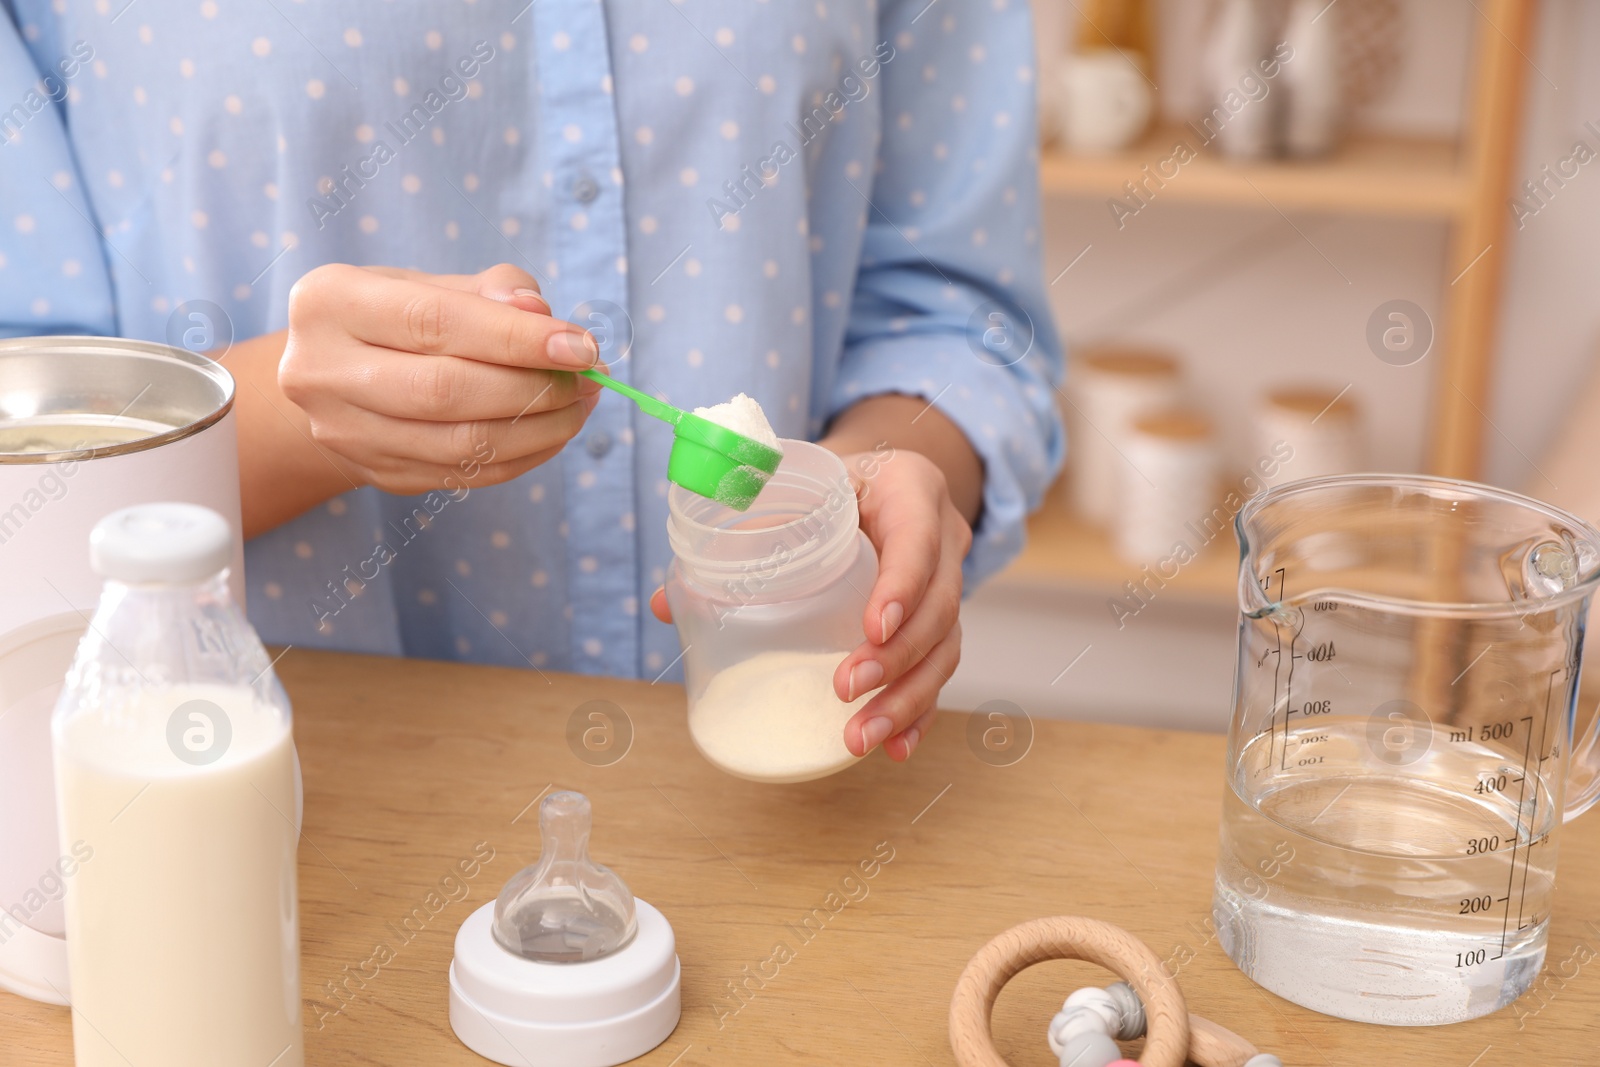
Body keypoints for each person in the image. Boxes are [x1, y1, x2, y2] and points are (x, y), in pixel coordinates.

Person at [0, 0, 1063, 762]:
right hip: (268, 807)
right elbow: (26, 447)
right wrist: (288, 416)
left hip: (767, 821)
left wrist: (893, 471)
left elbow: (952, 314)